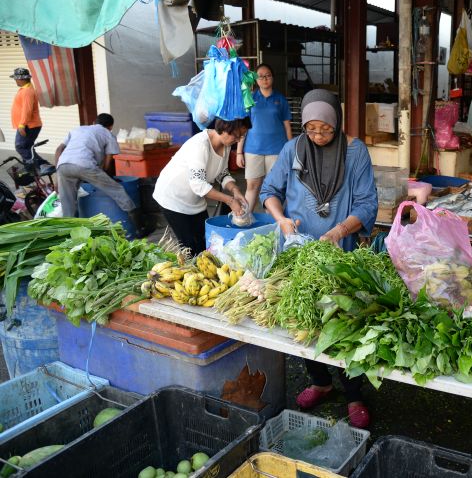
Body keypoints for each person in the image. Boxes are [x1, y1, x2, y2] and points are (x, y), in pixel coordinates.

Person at [260, 89, 377, 428]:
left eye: (324, 128)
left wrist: (339, 232)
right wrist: (280, 219)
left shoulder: (354, 152)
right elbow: (269, 192)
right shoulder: (292, 149)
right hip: (299, 251)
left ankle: (354, 392)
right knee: (303, 319)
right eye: (311, 129)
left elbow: (367, 204)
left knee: (342, 323)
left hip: (340, 253)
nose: (318, 135)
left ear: (336, 121)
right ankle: (320, 381)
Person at [154, 117, 249, 256]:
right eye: (237, 135)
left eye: (242, 136)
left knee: (206, 244)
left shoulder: (226, 145)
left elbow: (222, 173)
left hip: (195, 201)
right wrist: (230, 200)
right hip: (173, 198)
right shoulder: (200, 145)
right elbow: (198, 184)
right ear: (225, 130)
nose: (239, 139)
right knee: (191, 249)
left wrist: (235, 190)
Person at [55, 113, 145, 235]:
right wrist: (106, 179)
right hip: (85, 165)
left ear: (94, 122)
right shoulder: (108, 134)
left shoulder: (78, 129)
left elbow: (59, 149)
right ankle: (140, 228)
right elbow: (108, 163)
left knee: (68, 204)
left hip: (63, 165)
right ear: (110, 127)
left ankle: (70, 235)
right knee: (118, 190)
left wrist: (57, 174)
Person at [236, 64, 292, 212]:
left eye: (268, 75)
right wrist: (239, 152)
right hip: (253, 149)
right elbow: (243, 128)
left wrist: (291, 149)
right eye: (260, 76)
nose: (264, 79)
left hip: (277, 149)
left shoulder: (280, 99)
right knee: (252, 186)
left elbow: (287, 126)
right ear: (255, 79)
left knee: (274, 188)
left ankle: (273, 223)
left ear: (272, 78)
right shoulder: (250, 98)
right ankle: (245, 219)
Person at [9, 68, 43, 163]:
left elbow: (27, 109)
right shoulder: (26, 89)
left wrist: (22, 125)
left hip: (28, 125)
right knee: (27, 148)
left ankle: (39, 166)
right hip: (29, 125)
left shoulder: (27, 91)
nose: (15, 80)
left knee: (20, 146)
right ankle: (35, 168)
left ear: (22, 79)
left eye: (16, 78)